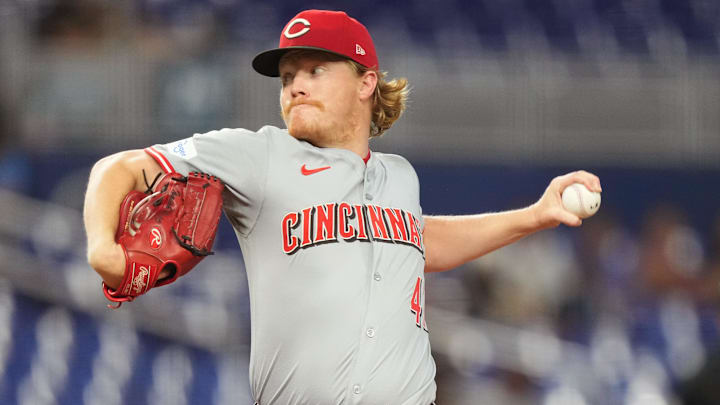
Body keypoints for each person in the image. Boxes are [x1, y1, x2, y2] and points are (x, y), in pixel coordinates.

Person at [83, 9, 602, 404]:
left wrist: (536, 215)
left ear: (366, 82)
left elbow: (422, 243)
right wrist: (103, 248)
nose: (296, 86)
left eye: (315, 70)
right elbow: (118, 167)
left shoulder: (399, 176)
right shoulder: (260, 155)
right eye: (288, 77)